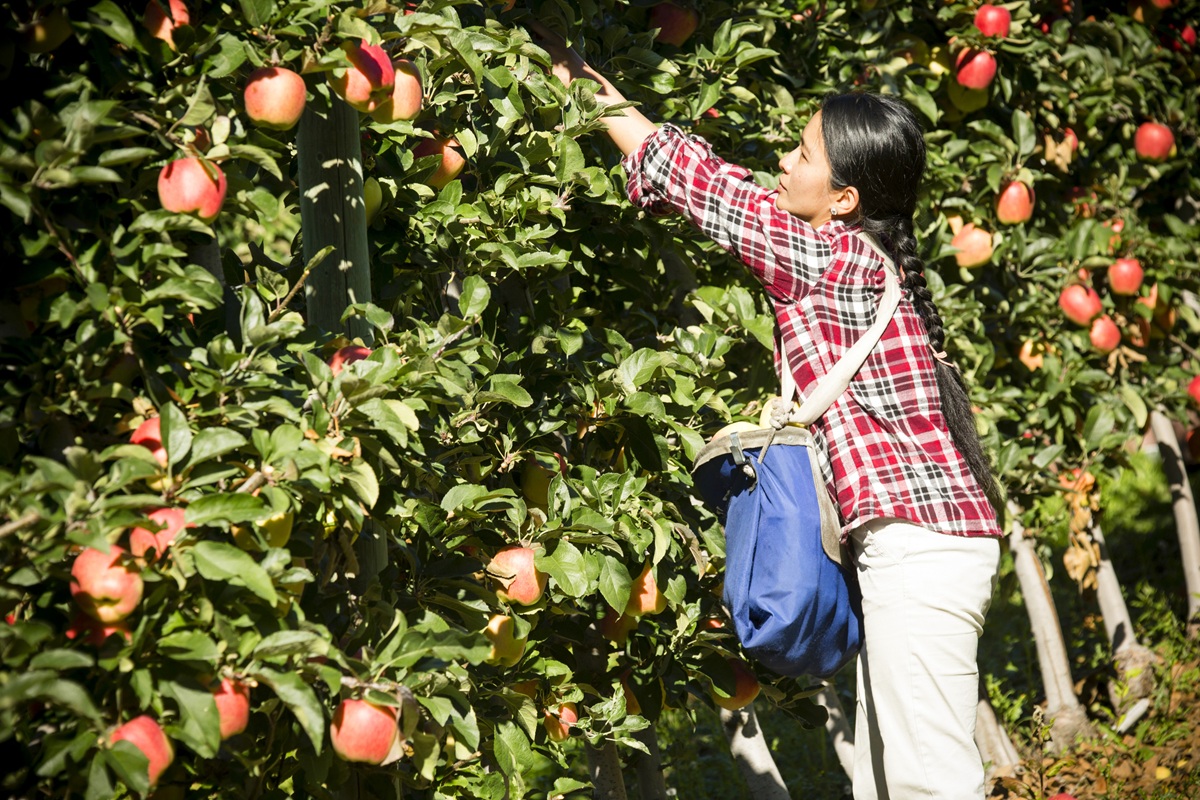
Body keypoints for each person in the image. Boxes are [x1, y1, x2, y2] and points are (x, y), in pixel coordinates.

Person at [536, 25, 1005, 800]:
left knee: (930, 783)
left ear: (844, 200)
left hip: (920, 552)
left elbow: (703, 185)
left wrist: (575, 75)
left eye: (804, 153)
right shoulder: (854, 256)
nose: (784, 160)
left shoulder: (835, 256)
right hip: (919, 546)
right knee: (891, 784)